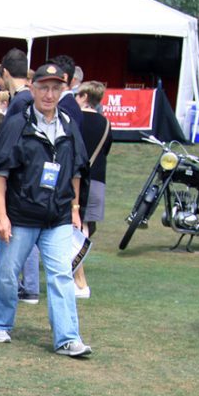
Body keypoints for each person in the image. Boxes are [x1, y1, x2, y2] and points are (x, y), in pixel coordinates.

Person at [0, 62, 92, 357]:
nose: (49, 94)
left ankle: (67, 338)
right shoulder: (17, 125)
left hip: (58, 216)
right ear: (32, 89)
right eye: (43, 88)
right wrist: (1, 216)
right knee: (8, 272)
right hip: (21, 215)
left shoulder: (68, 125)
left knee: (61, 274)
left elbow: (76, 170)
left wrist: (75, 208)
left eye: (55, 88)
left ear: (63, 90)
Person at [73, 80, 111, 299]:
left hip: (78, 178)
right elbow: (107, 148)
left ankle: (78, 277)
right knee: (86, 225)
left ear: (85, 97)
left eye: (78, 94)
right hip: (98, 178)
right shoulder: (105, 123)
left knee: (75, 224)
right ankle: (78, 276)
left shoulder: (76, 119)